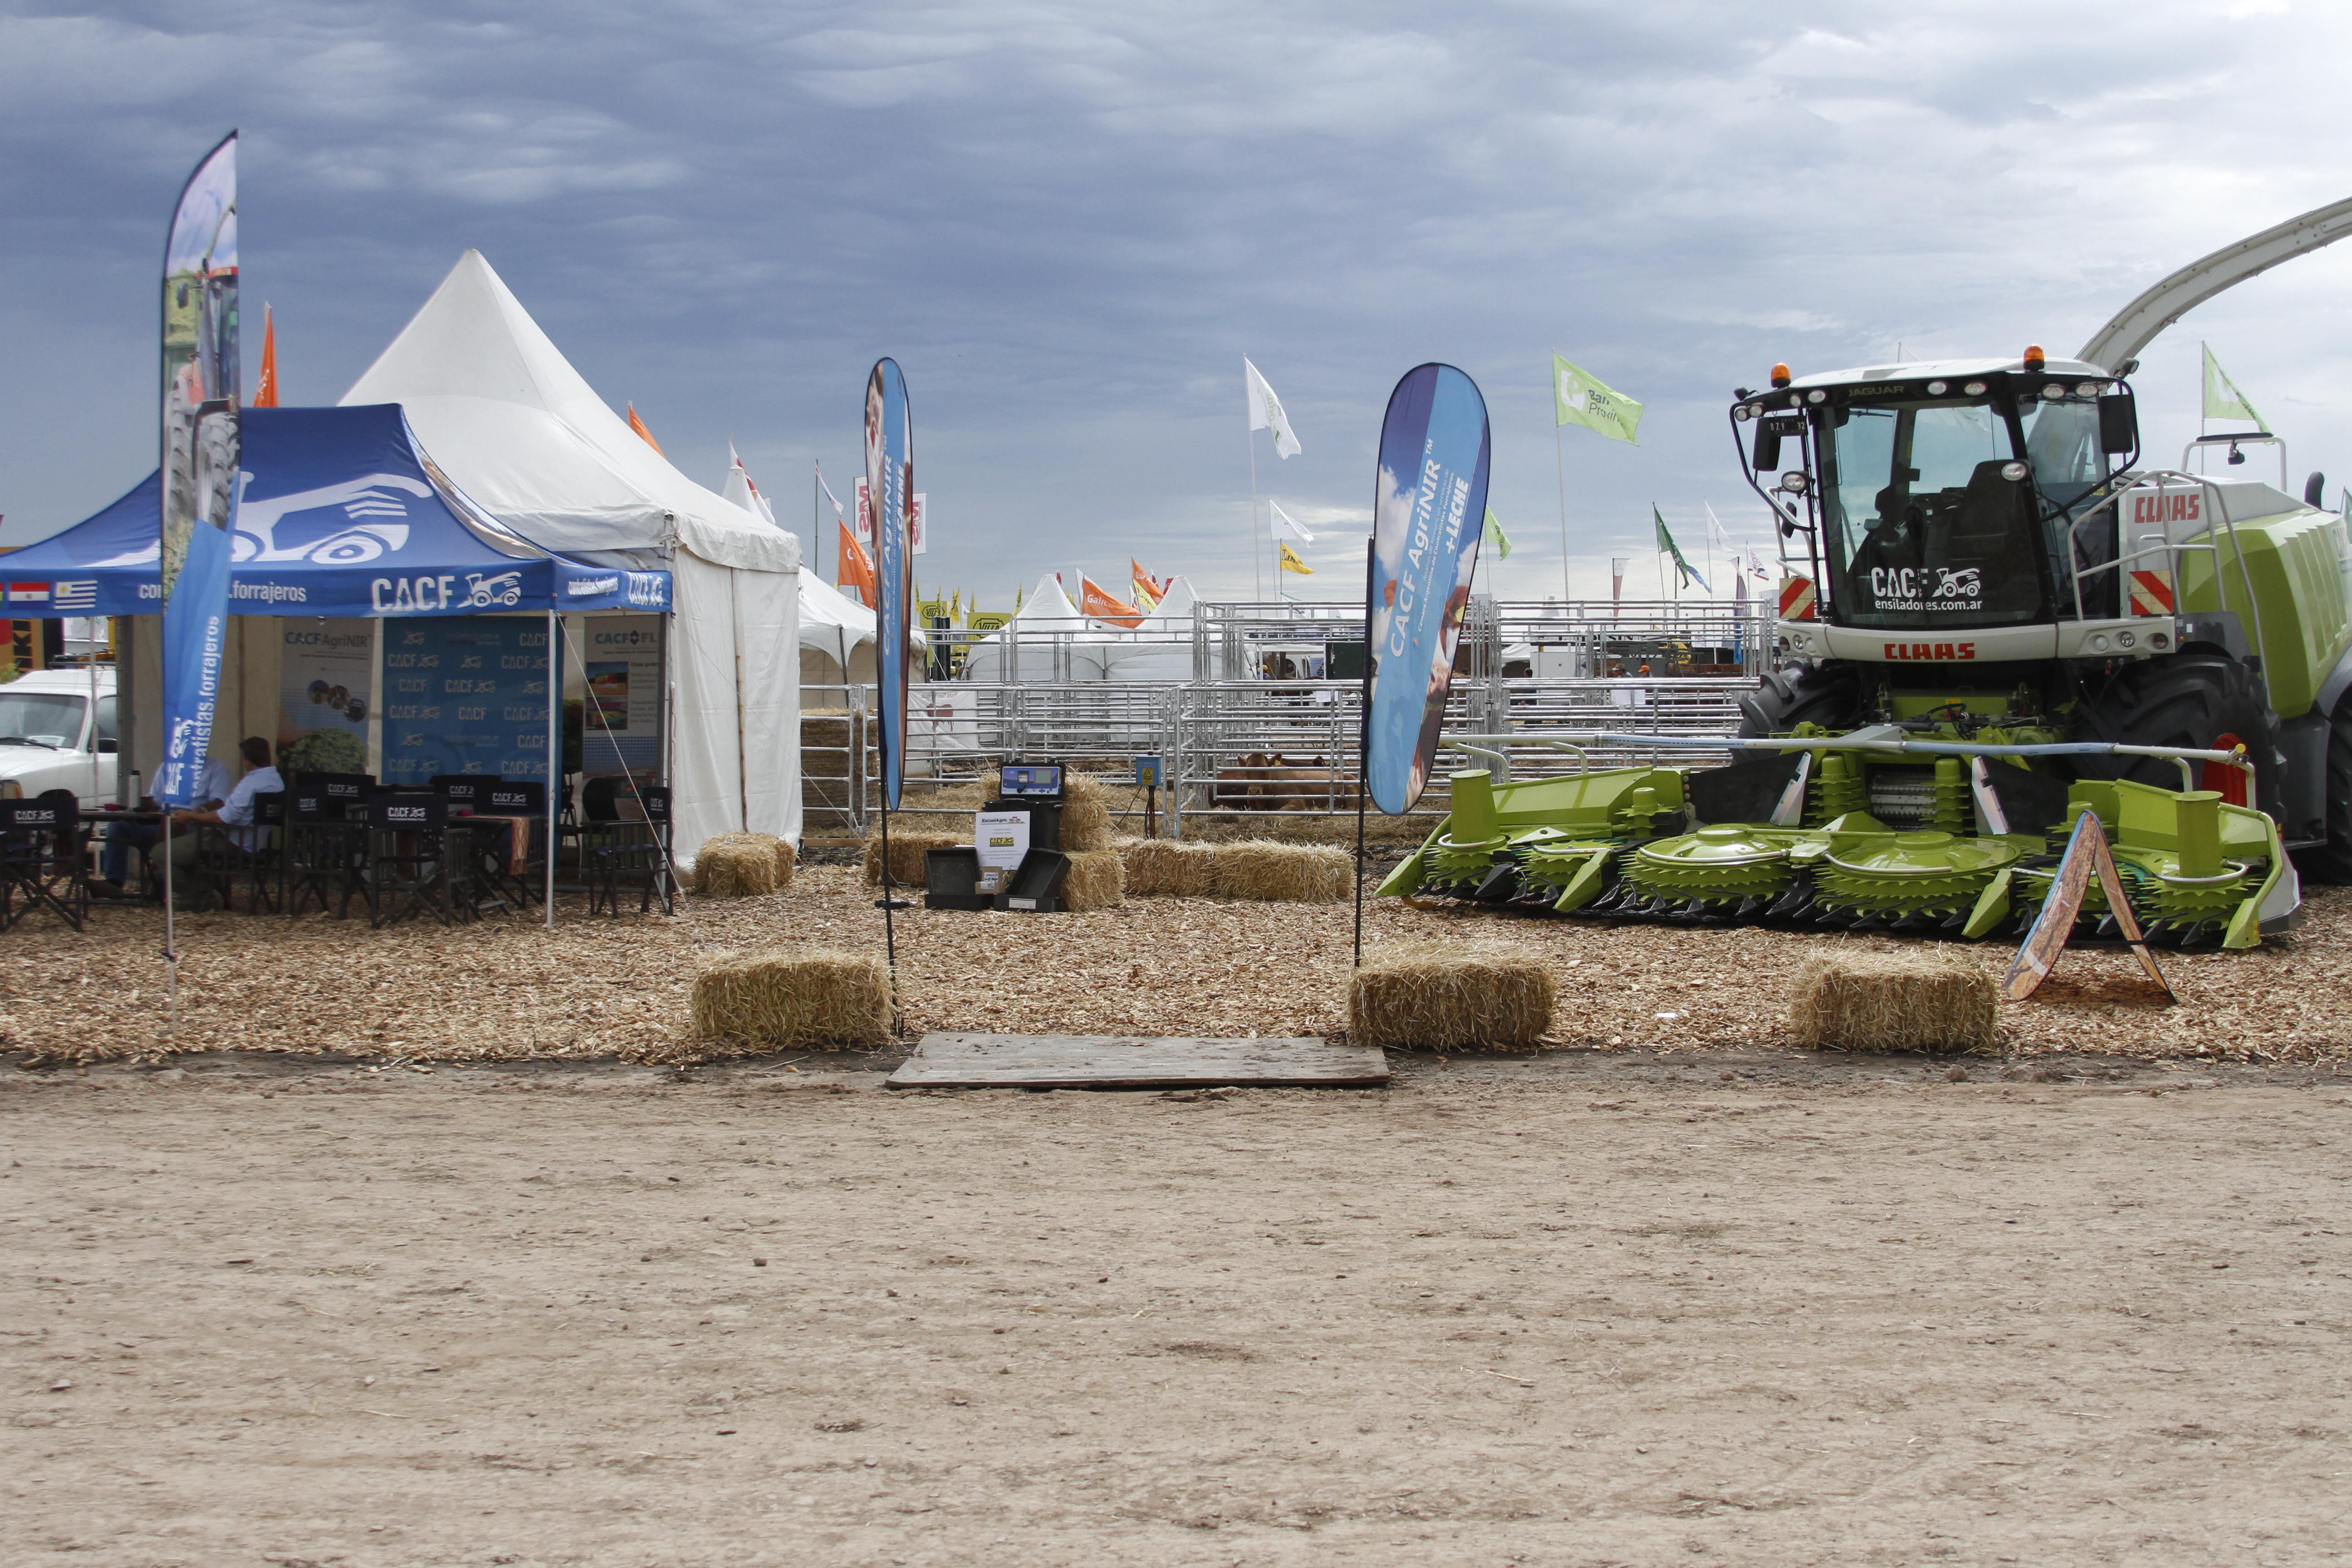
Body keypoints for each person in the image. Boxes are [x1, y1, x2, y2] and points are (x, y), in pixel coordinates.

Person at [95, 752, 231, 894]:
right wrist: (142, 804)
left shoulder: (216, 768)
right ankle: (114, 883)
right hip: (164, 821)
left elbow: (220, 802)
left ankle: (165, 883)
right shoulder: (167, 767)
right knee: (117, 826)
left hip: (194, 823)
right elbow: (156, 801)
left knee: (173, 830)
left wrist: (197, 812)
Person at [168, 737, 282, 865]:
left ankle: (194, 885)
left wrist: (191, 816)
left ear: (247, 760)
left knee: (162, 853)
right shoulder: (277, 782)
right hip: (253, 843)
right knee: (182, 855)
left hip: (231, 842)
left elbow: (225, 818)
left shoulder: (251, 783)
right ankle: (200, 883)